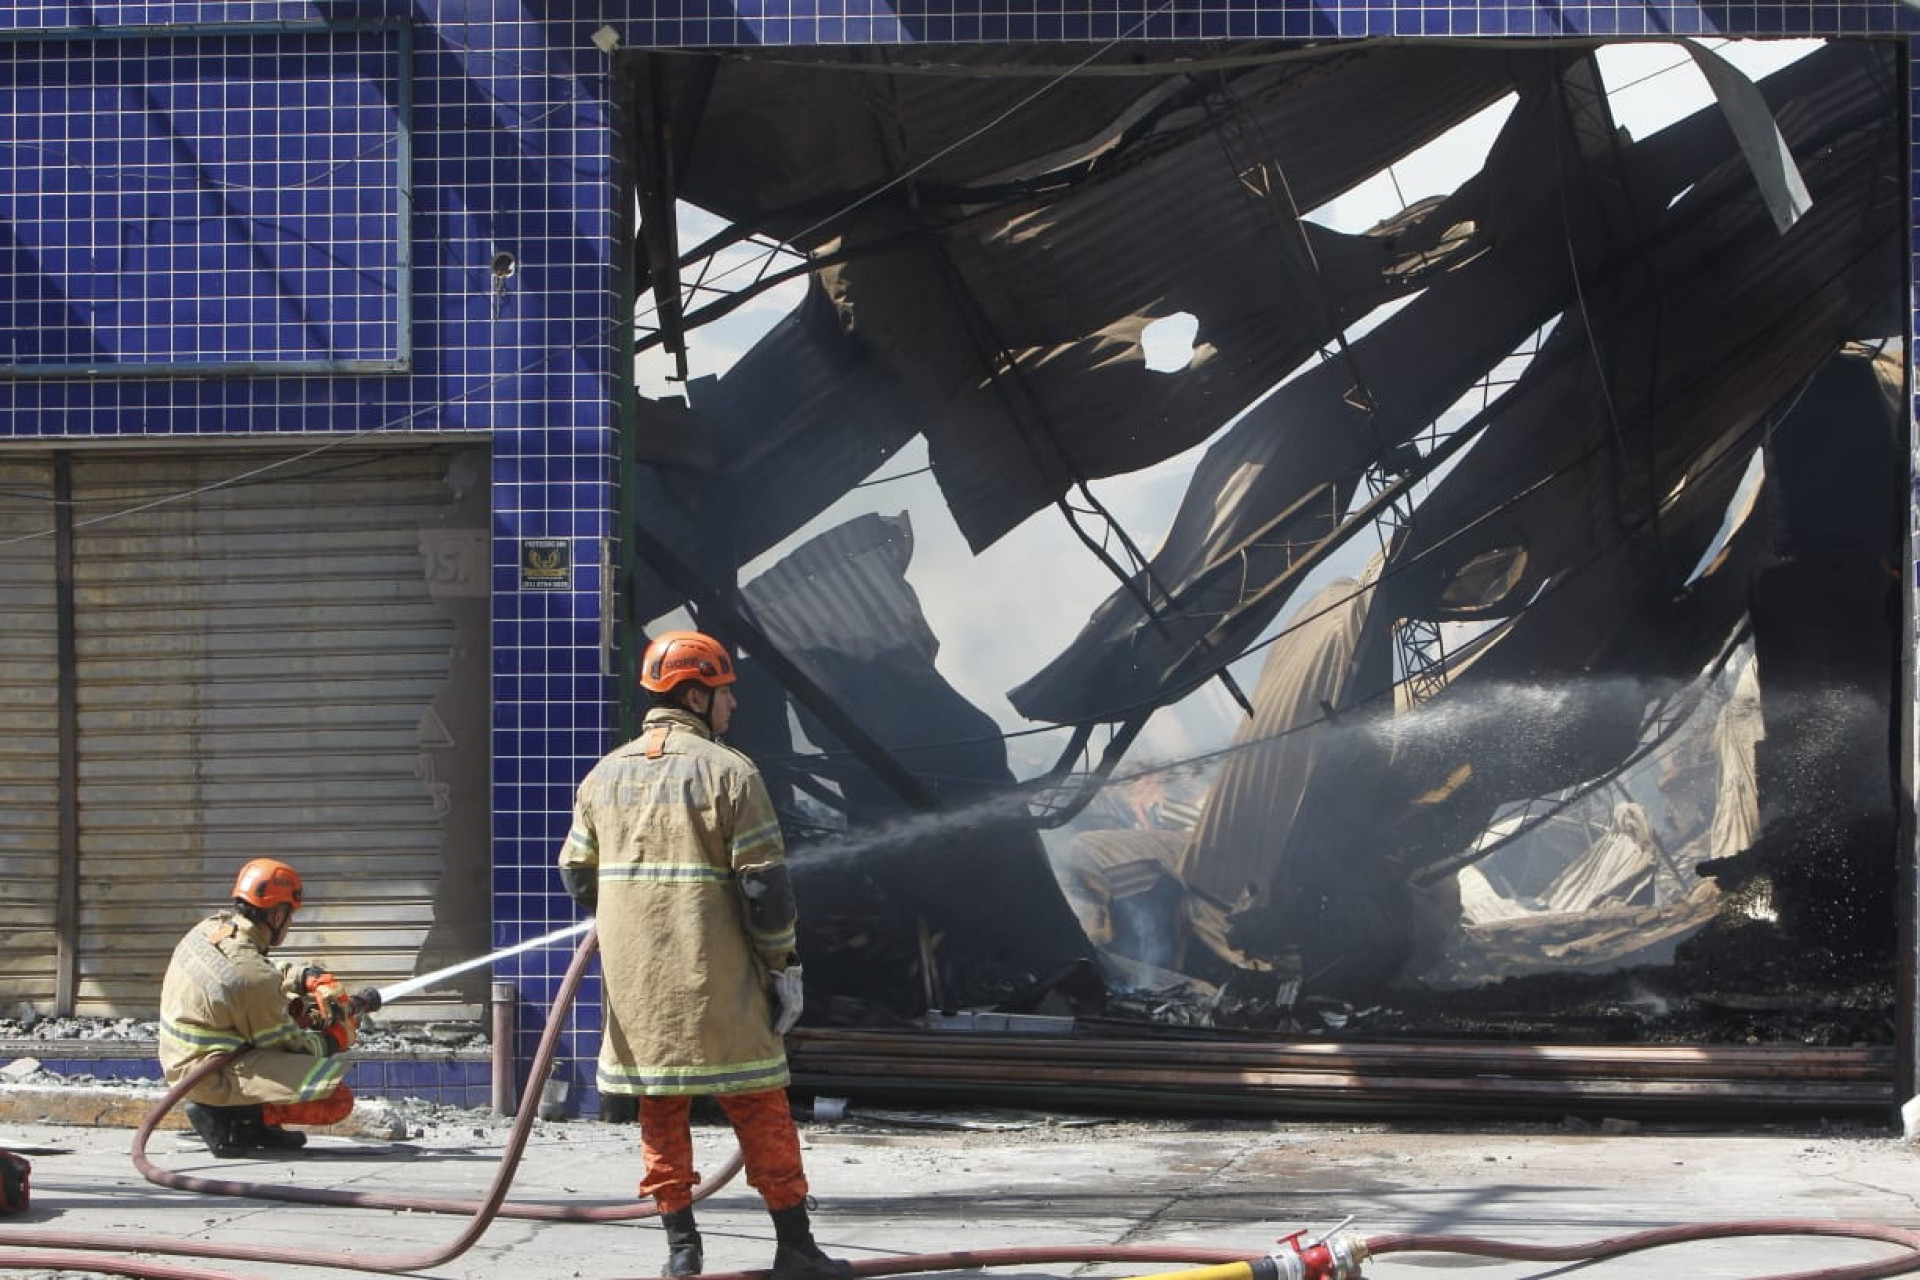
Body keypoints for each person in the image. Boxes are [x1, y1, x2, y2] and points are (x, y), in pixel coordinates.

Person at [559, 629, 850, 1280]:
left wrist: (628, 923)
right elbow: (764, 889)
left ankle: (681, 1253)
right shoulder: (730, 772)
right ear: (695, 694)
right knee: (760, 1102)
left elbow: (578, 875)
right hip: (722, 983)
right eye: (724, 694)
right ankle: (796, 1249)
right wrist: (783, 967)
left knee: (660, 1112)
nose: (733, 707)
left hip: (638, 992)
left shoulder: (602, 776)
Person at [158, 858, 361, 1157]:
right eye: (289, 916)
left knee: (285, 1014)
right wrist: (337, 1037)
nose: (289, 924)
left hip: (184, 1061)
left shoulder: (211, 929)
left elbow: (251, 970)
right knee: (336, 1099)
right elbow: (292, 1048)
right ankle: (233, 1123)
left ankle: (242, 1117)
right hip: (209, 1076)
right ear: (277, 915)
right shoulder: (252, 977)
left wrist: (308, 978)